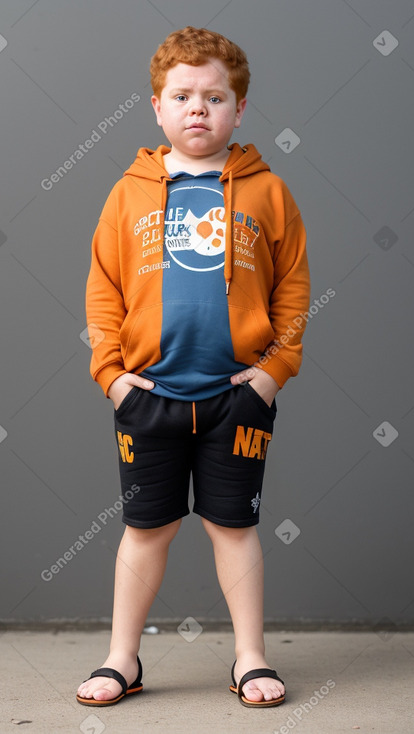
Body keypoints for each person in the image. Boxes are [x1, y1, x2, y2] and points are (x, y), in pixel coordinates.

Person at [76, 25, 310, 709]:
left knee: (234, 529)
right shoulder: (128, 193)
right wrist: (112, 376)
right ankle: (123, 657)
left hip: (237, 399)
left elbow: (293, 291)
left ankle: (249, 658)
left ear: (238, 109)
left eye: (214, 96)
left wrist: (274, 370)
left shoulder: (268, 193)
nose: (197, 108)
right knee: (144, 529)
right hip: (148, 396)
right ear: (157, 107)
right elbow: (101, 290)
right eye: (182, 95)